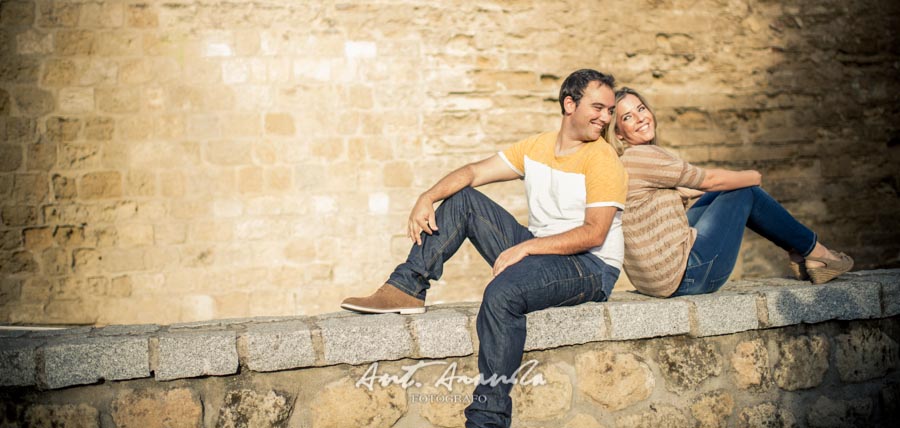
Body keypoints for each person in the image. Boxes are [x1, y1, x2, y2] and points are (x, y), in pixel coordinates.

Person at [340, 69, 627, 427]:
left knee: (502, 293)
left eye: (610, 111)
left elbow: (593, 234)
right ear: (569, 104)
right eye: (597, 107)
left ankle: (487, 417)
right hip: (543, 247)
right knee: (462, 200)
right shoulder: (537, 147)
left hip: (591, 266)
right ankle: (407, 288)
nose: (605, 118)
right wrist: (426, 196)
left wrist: (527, 249)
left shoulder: (602, 160)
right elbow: (474, 172)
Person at [607, 86, 853, 298]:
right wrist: (753, 177)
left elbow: (686, 189)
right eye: (627, 117)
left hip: (654, 282)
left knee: (719, 194)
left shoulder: (626, 162)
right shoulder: (643, 156)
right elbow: (710, 180)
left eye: (640, 109)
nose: (640, 118)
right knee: (743, 190)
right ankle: (816, 253)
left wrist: (690, 192)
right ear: (618, 133)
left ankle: (800, 252)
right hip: (686, 278)